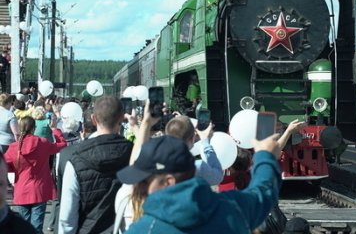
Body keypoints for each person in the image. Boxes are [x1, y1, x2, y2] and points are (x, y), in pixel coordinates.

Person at [119, 132, 283, 233]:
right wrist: (264, 156)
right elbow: (264, 191)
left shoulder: (144, 230)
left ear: (169, 182)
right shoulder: (234, 207)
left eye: (143, 182)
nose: (137, 187)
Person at [59, 96, 133, 234]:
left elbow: (67, 217)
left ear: (93, 119)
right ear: (122, 118)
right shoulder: (135, 154)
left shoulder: (76, 159)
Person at [4, 116, 66, 232]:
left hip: (21, 190)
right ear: (34, 128)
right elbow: (62, 145)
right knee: (36, 228)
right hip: (39, 190)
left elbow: (5, 166)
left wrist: (16, 171)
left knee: (23, 228)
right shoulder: (42, 143)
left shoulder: (14, 147)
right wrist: (55, 129)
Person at [0, 153, 37, 233]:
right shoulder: (43, 145)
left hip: (22, 190)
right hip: (39, 191)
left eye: (0, 184)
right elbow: (60, 145)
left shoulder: (23, 229)